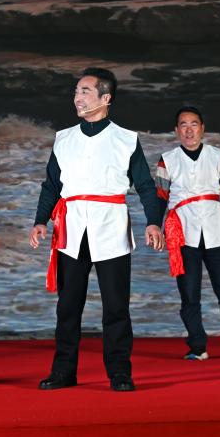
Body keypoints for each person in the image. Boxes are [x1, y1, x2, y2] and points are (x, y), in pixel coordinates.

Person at [29, 68, 164, 392]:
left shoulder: (126, 139)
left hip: (111, 228)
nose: (77, 97)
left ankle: (119, 373)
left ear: (106, 98)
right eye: (76, 91)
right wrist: (40, 221)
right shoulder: (64, 139)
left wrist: (153, 221)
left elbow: (146, 186)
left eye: (85, 92)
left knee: (116, 306)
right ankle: (63, 372)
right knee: (67, 306)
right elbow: (51, 185)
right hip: (71, 228)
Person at [154, 106, 220, 361]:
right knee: (189, 293)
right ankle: (197, 346)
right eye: (183, 125)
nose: (189, 130)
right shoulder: (167, 159)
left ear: (202, 128)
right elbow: (159, 197)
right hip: (183, 233)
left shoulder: (218, 156)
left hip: (215, 231)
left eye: (194, 124)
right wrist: (154, 225)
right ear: (176, 131)